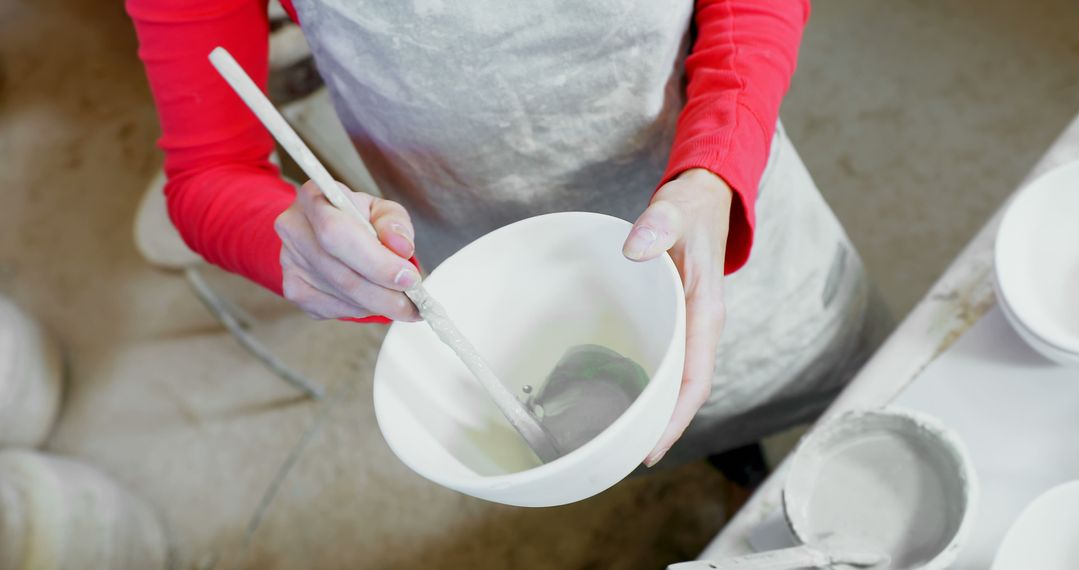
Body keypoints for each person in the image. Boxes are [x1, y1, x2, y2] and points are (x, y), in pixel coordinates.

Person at [127, 0, 890, 472]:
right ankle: (735, 467)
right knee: (633, 436)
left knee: (853, 397)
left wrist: (720, 163)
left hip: (717, 194)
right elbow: (208, 171)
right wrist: (291, 241)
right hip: (493, 273)